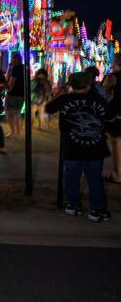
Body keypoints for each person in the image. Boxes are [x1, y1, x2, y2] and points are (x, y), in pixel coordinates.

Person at [45, 72, 112, 221]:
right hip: (95, 148)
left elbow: (48, 108)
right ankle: (97, 210)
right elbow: (111, 115)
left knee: (71, 177)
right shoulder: (98, 100)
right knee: (95, 179)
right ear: (88, 86)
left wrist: (60, 94)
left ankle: (72, 205)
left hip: (71, 146)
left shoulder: (65, 99)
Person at [103, 53, 121, 183]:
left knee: (116, 144)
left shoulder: (113, 77)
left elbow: (102, 91)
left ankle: (118, 174)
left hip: (116, 116)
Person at [6, 52, 25, 138]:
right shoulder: (24, 67)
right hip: (22, 94)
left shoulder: (15, 69)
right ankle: (19, 133)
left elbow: (11, 81)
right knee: (18, 113)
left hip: (13, 94)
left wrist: (8, 92)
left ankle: (13, 132)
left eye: (13, 58)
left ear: (14, 59)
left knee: (9, 113)